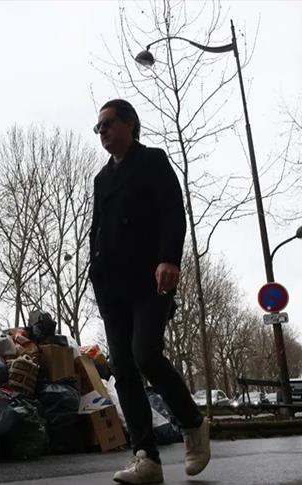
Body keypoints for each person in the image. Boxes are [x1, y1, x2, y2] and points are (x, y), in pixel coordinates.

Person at [88, 99, 210, 484]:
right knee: (122, 369)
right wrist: (95, 276)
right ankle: (146, 458)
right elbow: (98, 232)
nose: (102, 131)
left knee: (146, 355)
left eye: (107, 123)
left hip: (149, 279)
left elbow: (173, 211)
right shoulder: (101, 179)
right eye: (98, 128)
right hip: (112, 287)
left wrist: (169, 258)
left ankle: (193, 423)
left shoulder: (153, 161)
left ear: (130, 124)